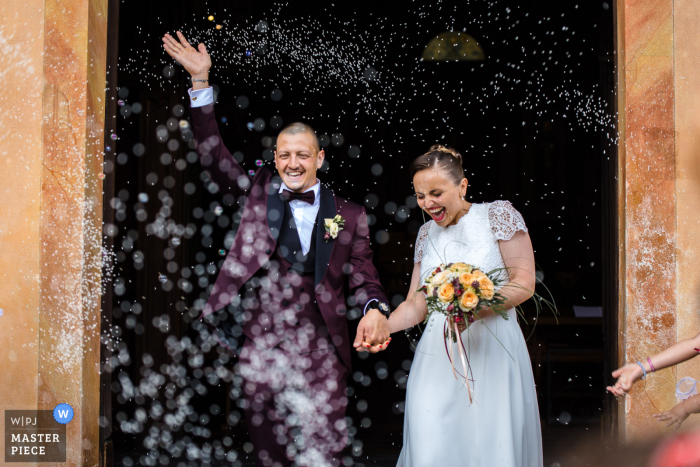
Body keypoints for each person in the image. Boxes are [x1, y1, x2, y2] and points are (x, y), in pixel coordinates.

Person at [162, 31, 392, 467]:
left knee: (326, 450)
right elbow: (213, 156)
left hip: (322, 349)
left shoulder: (351, 214)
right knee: (270, 453)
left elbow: (362, 274)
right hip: (261, 347)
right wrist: (200, 84)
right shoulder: (256, 193)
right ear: (274, 156)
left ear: (320, 158)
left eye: (302, 155)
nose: (293, 163)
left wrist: (375, 308)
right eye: (285, 154)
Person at [364, 145, 542, 466]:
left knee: (489, 447)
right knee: (430, 444)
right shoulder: (425, 234)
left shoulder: (497, 215)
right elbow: (416, 304)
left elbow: (523, 282)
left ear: (462, 186)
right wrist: (383, 325)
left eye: (436, 192)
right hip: (437, 356)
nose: (428, 203)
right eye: (420, 195)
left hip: (493, 350)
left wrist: (477, 308)